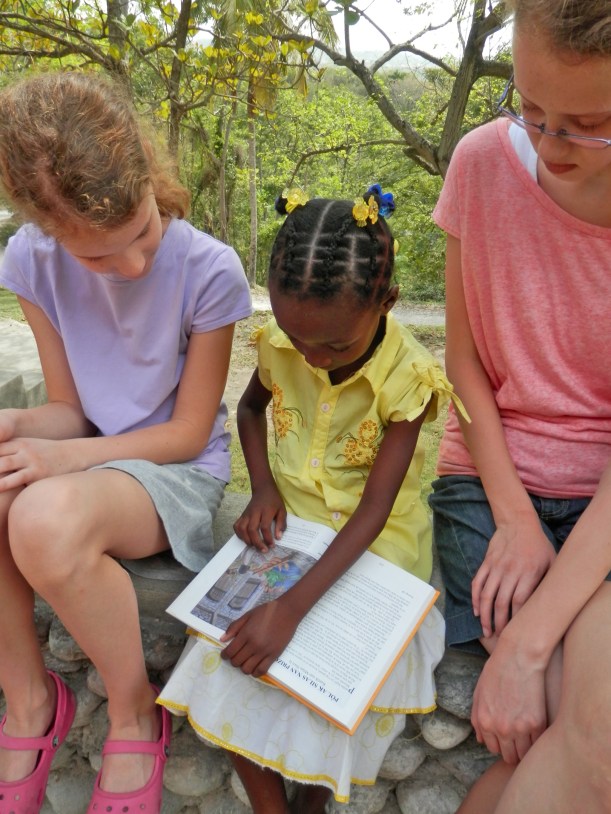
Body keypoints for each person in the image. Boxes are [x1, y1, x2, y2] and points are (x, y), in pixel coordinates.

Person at [159, 185, 467, 813]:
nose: (311, 358)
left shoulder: (407, 377)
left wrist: (291, 609)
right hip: (293, 532)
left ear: (387, 303)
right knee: (219, 662)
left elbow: (375, 511)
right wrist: (264, 487)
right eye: (299, 340)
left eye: (334, 348)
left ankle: (308, 805)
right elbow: (249, 408)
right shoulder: (283, 339)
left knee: (328, 692)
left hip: (376, 550)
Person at [0, 71, 252, 814]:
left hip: (171, 475)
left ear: (148, 173)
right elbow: (70, 412)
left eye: (140, 232)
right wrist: (16, 429)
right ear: (46, 232)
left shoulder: (208, 271)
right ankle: (27, 701)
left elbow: (182, 434)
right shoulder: (29, 262)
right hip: (87, 465)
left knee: (42, 518)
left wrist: (60, 461)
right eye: (97, 259)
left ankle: (133, 709)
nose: (131, 267)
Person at [428, 0, 611, 810]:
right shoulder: (479, 164)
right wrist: (512, 518)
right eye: (529, 109)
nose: (545, 145)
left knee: (591, 729)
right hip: (494, 487)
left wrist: (530, 644)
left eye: (585, 124)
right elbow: (461, 364)